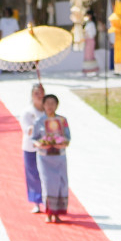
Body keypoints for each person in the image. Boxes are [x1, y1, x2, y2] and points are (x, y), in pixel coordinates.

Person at [38, 92, 73, 221]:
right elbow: (34, 139)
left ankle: (57, 212)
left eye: (53, 103)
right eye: (47, 103)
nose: (50, 106)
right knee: (48, 184)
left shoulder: (62, 120)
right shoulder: (39, 121)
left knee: (60, 183)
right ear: (43, 105)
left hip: (59, 157)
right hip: (45, 157)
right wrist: (42, 143)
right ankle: (48, 212)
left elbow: (68, 137)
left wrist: (62, 142)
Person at [22, 83, 48, 214]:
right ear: (32, 95)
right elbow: (28, 130)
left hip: (46, 147)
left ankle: (48, 201)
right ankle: (36, 202)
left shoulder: (48, 109)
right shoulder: (28, 112)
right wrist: (38, 126)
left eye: (41, 92)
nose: (39, 95)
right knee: (33, 175)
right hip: (31, 147)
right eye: (36, 93)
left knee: (47, 175)